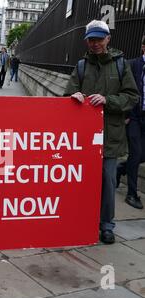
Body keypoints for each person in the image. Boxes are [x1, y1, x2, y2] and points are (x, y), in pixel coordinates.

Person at [64, 20, 139, 245]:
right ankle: (81, 220)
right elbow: (68, 93)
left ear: (108, 39)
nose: (95, 43)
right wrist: (73, 97)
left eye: (99, 39)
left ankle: (106, 225)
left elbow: (132, 96)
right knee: (81, 180)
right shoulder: (80, 65)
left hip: (110, 136)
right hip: (83, 137)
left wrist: (108, 100)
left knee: (107, 181)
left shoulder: (121, 65)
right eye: (91, 39)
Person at [116, 35, 145, 209]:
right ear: (143, 47)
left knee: (142, 155)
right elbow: (123, 89)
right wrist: (124, 113)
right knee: (135, 153)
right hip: (134, 116)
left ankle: (121, 169)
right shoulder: (132, 64)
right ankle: (132, 194)